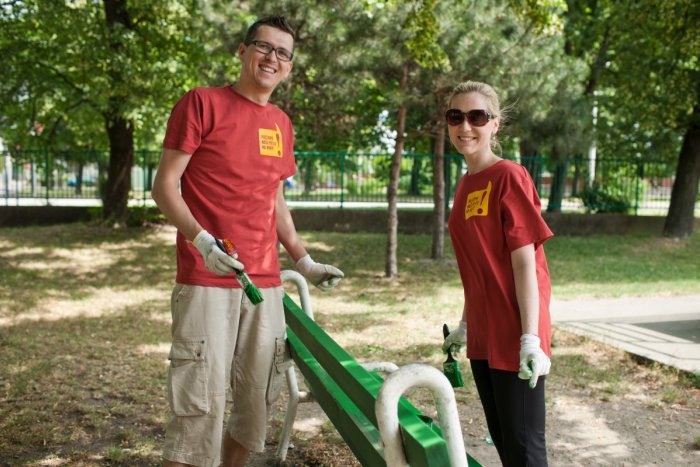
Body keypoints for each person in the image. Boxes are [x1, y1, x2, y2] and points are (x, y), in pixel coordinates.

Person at [151, 16, 344, 467]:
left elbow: (273, 197)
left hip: (265, 285)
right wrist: (202, 242)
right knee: (198, 409)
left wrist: (303, 258)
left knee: (255, 405)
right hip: (206, 279)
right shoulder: (201, 103)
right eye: (264, 47)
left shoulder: (281, 123)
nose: (272, 58)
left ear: (290, 67)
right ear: (242, 51)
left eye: (283, 53)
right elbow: (165, 186)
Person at [441, 81, 553, 467]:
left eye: (477, 116)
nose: (465, 126)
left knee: (525, 450)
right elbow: (479, 266)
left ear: (495, 124)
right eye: (456, 116)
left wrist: (530, 338)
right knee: (506, 444)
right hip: (485, 334)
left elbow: (525, 263)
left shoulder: (509, 176)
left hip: (515, 332)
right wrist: (465, 324)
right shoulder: (466, 184)